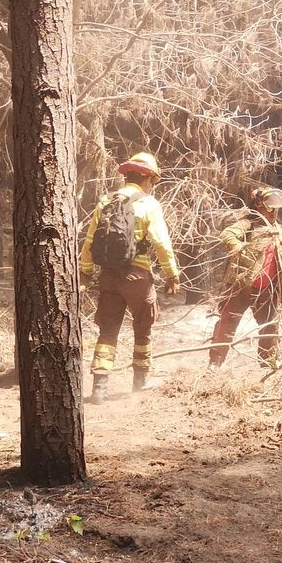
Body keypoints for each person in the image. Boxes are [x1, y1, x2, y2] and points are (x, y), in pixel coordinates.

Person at [80, 150, 180, 400]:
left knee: (108, 330)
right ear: (148, 179)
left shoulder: (106, 201)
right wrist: (172, 275)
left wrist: (87, 271)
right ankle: (140, 382)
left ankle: (99, 389)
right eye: (153, 181)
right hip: (138, 276)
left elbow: (90, 241)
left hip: (109, 276)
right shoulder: (148, 204)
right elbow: (161, 243)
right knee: (143, 327)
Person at [209, 184, 282, 368]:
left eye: (277, 209)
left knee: (270, 327)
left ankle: (267, 365)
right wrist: (238, 247)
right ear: (259, 205)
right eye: (271, 208)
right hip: (241, 286)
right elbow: (227, 234)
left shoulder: (281, 233)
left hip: (268, 289)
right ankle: (215, 362)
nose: (274, 213)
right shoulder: (248, 225)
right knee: (227, 324)